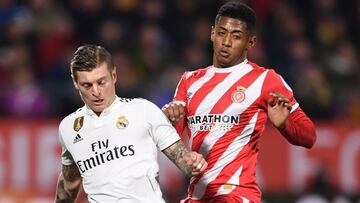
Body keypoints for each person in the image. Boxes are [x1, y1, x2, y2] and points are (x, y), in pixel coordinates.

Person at [162, 2, 317, 203]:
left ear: (250, 43)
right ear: (212, 33)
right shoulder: (189, 80)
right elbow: (172, 141)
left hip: (237, 196)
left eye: (236, 36)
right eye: (221, 33)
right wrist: (168, 120)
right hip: (197, 197)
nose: (226, 42)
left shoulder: (265, 80)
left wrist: (284, 124)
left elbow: (310, 136)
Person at [54, 44, 208, 203]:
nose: (96, 92)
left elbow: (184, 161)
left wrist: (193, 163)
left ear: (113, 75)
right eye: (87, 85)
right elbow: (69, 184)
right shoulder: (69, 128)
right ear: (75, 83)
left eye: (101, 82)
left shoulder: (143, 110)